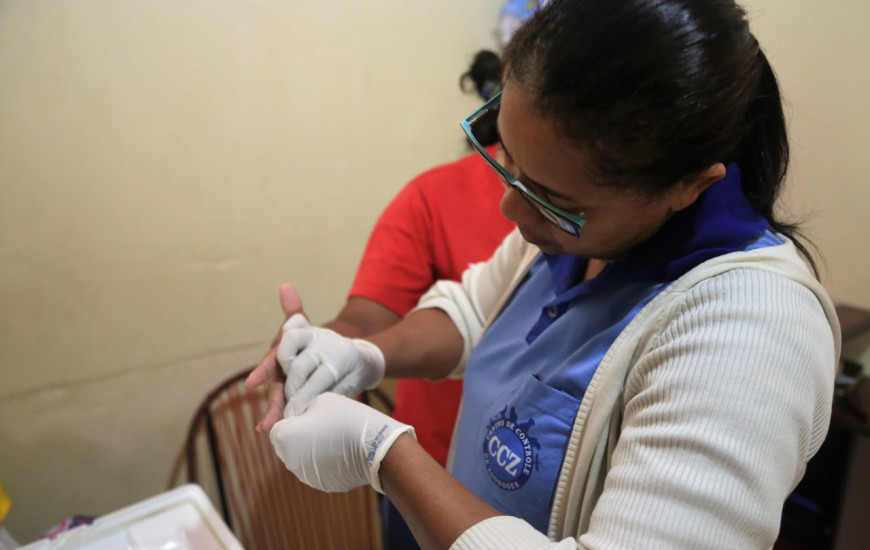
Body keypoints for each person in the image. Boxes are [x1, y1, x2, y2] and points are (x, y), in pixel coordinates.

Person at [252, 0, 842, 547]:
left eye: (553, 196)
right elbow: (476, 310)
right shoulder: (572, 235)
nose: (510, 211)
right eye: (506, 158)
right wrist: (363, 355)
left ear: (690, 186)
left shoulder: (754, 333)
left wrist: (383, 457)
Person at [249, 52, 514, 549]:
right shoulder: (436, 198)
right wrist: (323, 346)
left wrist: (379, 451)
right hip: (437, 470)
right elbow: (384, 318)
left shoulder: (571, 226)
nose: (515, 207)